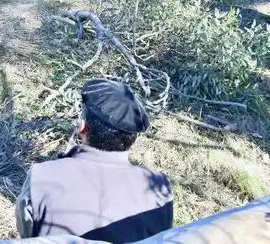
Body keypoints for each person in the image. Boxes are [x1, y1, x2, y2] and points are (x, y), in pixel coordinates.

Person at [16, 79, 173, 242]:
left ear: (82, 126)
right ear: (132, 138)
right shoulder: (160, 186)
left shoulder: (40, 175)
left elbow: (27, 235)